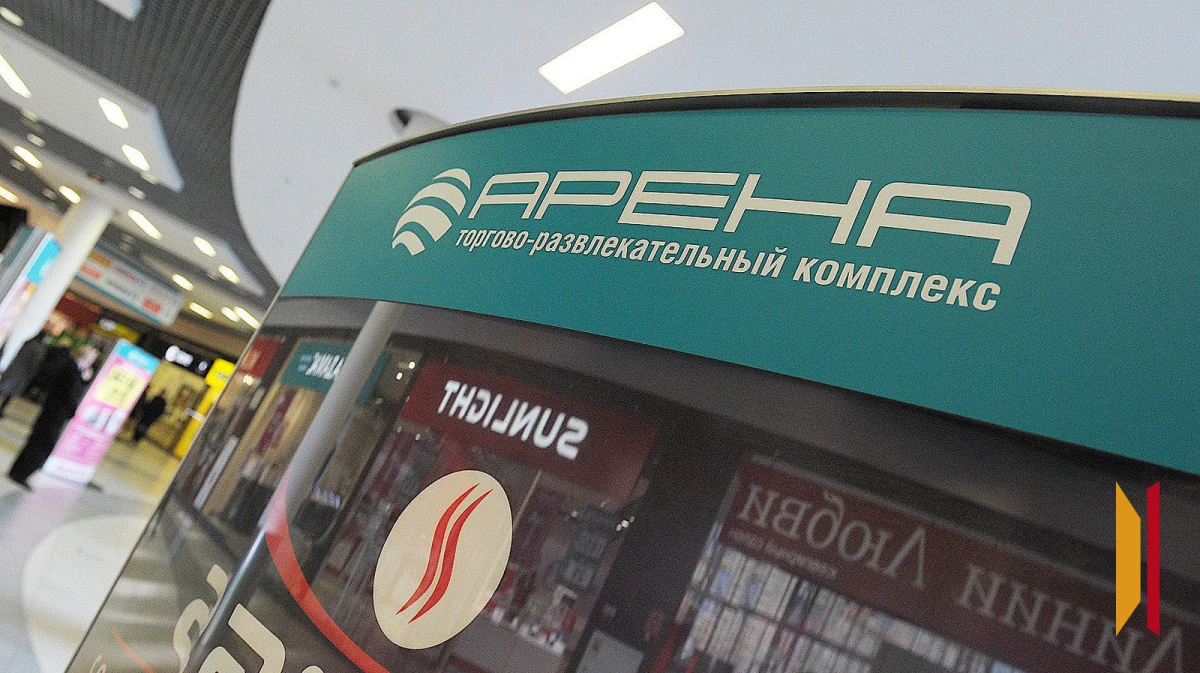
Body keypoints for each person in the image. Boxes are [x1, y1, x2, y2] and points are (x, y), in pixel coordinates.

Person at [6, 341, 97, 488]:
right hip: (54, 413)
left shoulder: (72, 368)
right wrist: (83, 380)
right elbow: (71, 394)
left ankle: (20, 472)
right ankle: (21, 473)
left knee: (39, 442)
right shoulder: (71, 370)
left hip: (54, 413)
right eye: (90, 358)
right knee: (42, 443)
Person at [0, 330, 50, 415]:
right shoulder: (39, 349)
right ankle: (2, 409)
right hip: (23, 373)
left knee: (4, 387)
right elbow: (35, 364)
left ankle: (2, 409)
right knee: (11, 393)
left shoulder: (29, 342)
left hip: (15, 369)